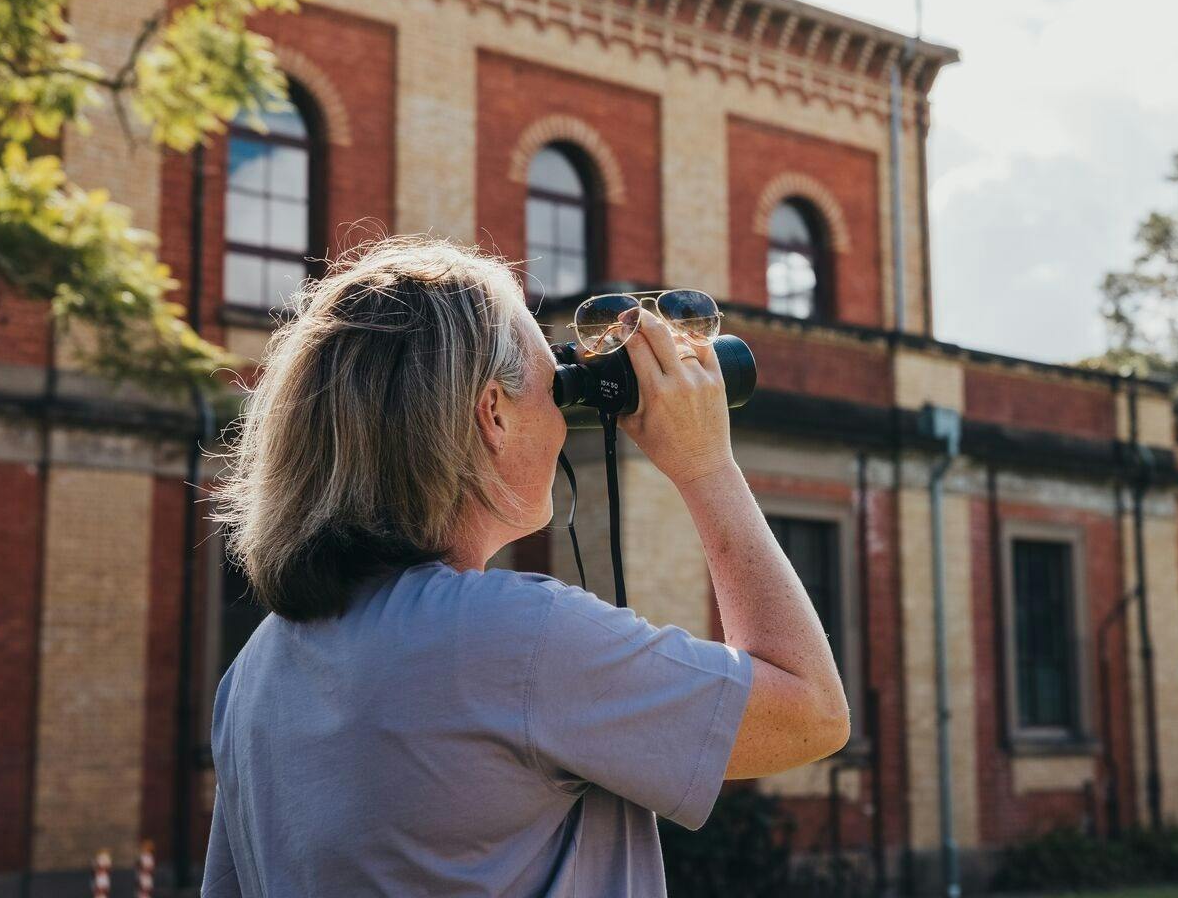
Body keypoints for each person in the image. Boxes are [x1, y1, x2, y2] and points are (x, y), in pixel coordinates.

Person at [202, 236, 849, 897]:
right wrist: (707, 465)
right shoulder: (514, 640)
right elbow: (812, 713)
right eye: (554, 387)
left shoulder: (254, 672)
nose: (566, 419)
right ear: (493, 416)